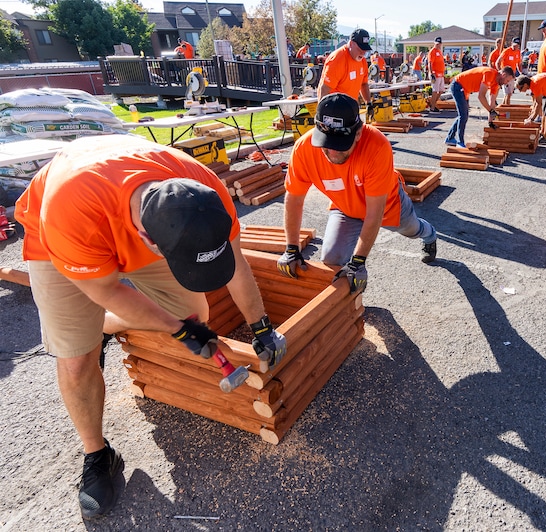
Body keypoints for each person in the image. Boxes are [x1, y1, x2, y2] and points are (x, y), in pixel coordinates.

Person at [14, 135, 287, 519]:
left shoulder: (205, 194)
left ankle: (107, 328)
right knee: (76, 359)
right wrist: (177, 331)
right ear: (146, 239)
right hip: (61, 235)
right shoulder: (69, 211)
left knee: (194, 315)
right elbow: (107, 290)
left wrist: (262, 328)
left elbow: (237, 264)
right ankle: (98, 455)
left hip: (128, 209)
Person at [277, 93, 438, 293]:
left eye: (340, 145)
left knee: (412, 230)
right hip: (346, 208)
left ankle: (430, 234)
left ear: (359, 133)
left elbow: (374, 213)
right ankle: (351, 311)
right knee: (332, 259)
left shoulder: (377, 146)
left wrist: (358, 261)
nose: (332, 152)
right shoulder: (303, 149)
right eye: (326, 143)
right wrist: (291, 248)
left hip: (386, 205)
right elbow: (293, 199)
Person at [444, 66, 516, 147]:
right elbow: (481, 96)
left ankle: (450, 138)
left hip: (465, 89)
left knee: (463, 115)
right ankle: (460, 142)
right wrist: (491, 111)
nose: (506, 83)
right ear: (503, 75)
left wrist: (490, 121)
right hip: (458, 84)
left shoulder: (496, 84)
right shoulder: (489, 73)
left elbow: (492, 103)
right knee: (463, 115)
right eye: (507, 80)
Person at [318, 29, 372, 105]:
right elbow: (325, 88)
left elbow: (364, 84)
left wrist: (368, 103)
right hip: (334, 108)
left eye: (365, 50)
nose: (363, 53)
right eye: (360, 49)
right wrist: (321, 113)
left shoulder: (362, 61)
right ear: (351, 44)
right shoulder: (338, 59)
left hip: (350, 107)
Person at [495, 38, 522, 105]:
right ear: (511, 43)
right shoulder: (506, 51)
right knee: (508, 94)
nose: (516, 47)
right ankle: (507, 110)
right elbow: (497, 62)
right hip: (506, 76)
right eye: (515, 45)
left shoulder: (518, 52)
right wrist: (500, 72)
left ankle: (503, 109)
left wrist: (521, 73)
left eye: (517, 46)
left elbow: (519, 63)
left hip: (512, 75)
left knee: (508, 94)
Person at [427, 36, 446, 113]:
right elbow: (430, 63)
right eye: (437, 44)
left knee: (441, 90)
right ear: (434, 43)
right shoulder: (432, 51)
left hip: (441, 74)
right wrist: (431, 73)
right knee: (435, 91)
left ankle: (433, 104)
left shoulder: (440, 51)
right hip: (435, 74)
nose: (438, 45)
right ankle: (432, 107)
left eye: (439, 44)